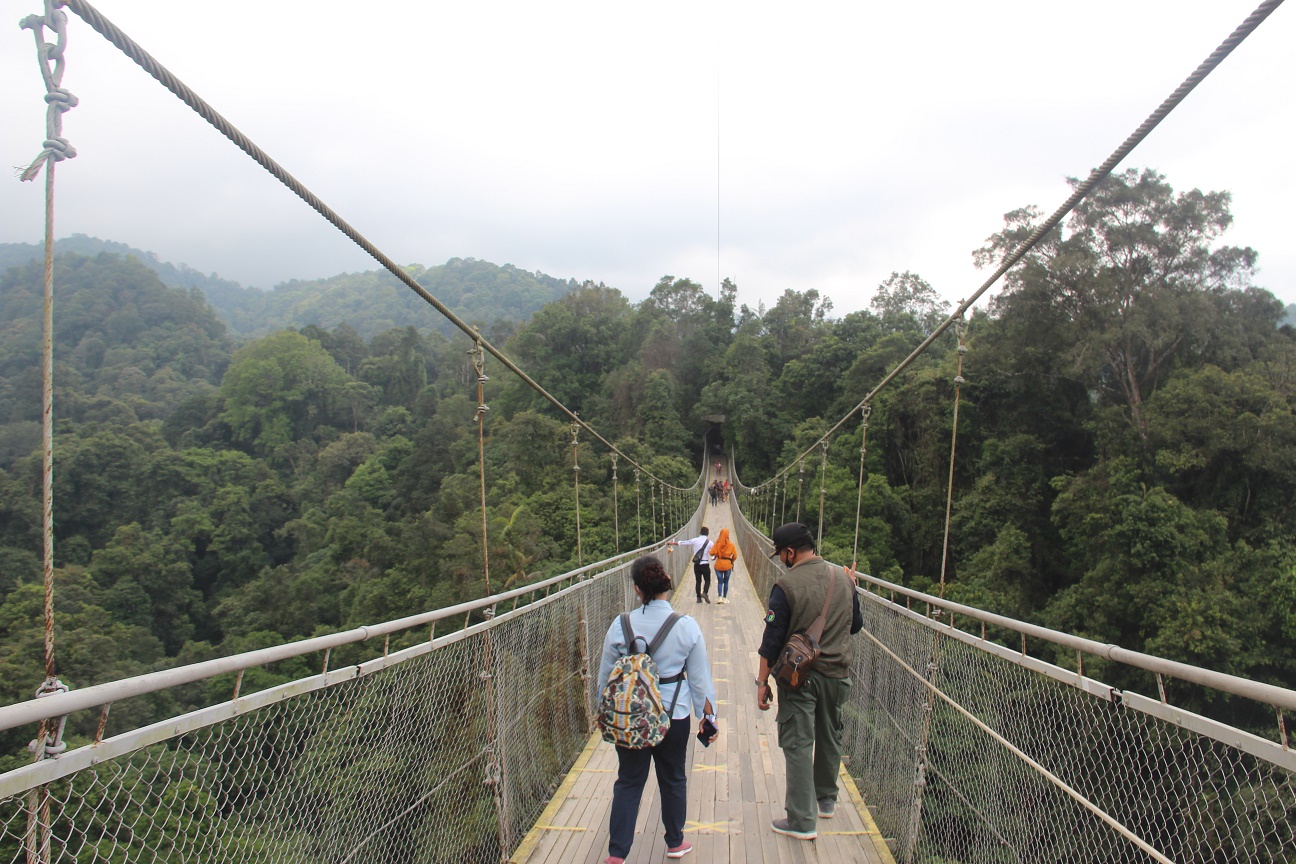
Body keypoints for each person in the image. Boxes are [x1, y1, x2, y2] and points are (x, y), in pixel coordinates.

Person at [598, 556, 718, 864]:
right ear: (666, 583)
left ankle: (617, 853)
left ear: (638, 589)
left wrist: (604, 712)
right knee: (674, 777)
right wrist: (709, 717)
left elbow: (606, 677)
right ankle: (675, 843)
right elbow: (700, 679)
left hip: (631, 718)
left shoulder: (620, 624)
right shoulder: (686, 626)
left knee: (629, 780)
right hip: (673, 716)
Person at [754, 522, 863, 841]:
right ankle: (826, 800)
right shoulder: (843, 578)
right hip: (837, 675)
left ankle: (802, 820)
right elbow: (855, 625)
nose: (781, 561)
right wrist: (852, 589)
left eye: (781, 555)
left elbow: (771, 641)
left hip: (799, 678)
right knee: (830, 734)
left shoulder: (785, 586)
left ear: (790, 552)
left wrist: (762, 683)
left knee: (798, 741)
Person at [668, 527, 713, 603]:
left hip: (697, 564)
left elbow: (684, 543)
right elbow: (714, 552)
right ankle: (705, 592)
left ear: (700, 532)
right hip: (705, 564)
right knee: (707, 580)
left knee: (698, 581)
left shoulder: (695, 540)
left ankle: (698, 598)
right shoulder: (710, 543)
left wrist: (672, 543)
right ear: (707, 533)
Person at [709, 527, 737, 604]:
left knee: (720, 582)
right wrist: (731, 561)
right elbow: (735, 555)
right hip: (728, 565)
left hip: (718, 565)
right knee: (726, 582)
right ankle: (725, 598)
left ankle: (719, 598)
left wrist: (716, 553)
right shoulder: (731, 545)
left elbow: (711, 553)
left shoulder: (717, 543)